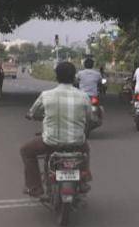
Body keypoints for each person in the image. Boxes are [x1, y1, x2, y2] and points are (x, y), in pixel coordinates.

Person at [20, 61, 92, 197]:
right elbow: (89, 116)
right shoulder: (84, 96)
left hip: (50, 142)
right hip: (76, 142)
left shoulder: (46, 95)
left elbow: (33, 113)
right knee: (86, 149)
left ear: (56, 77)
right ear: (74, 77)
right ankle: (83, 181)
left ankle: (35, 187)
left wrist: (32, 116)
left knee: (26, 151)